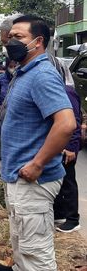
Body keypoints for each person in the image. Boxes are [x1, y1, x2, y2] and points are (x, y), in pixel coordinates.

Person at [0, 15, 76, 271]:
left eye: (19, 37)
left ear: (38, 41)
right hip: (19, 176)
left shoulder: (42, 74)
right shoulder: (24, 72)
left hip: (33, 179)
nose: (11, 42)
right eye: (10, 38)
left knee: (36, 254)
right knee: (22, 242)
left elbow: (65, 124)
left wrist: (38, 164)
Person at [51, 58, 82, 233]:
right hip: (60, 145)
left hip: (67, 147)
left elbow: (74, 122)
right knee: (61, 181)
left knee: (68, 181)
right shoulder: (57, 90)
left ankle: (72, 219)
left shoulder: (66, 92)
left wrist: (71, 147)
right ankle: (61, 214)